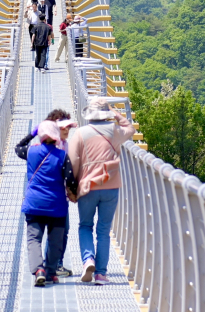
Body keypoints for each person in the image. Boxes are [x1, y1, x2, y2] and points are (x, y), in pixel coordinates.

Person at [68, 97, 136, 285]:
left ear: (89, 115)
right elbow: (131, 129)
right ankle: (101, 274)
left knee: (85, 226)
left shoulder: (80, 133)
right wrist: (115, 112)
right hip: (111, 186)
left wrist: (72, 187)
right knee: (104, 230)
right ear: (106, 115)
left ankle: (88, 259)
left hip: (88, 187)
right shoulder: (115, 131)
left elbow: (73, 162)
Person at [16, 109, 78, 278]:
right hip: (56, 206)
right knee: (55, 240)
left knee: (34, 239)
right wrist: (74, 194)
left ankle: (39, 270)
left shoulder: (31, 152)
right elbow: (70, 179)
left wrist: (31, 134)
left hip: (34, 204)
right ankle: (51, 271)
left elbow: (17, 148)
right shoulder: (62, 155)